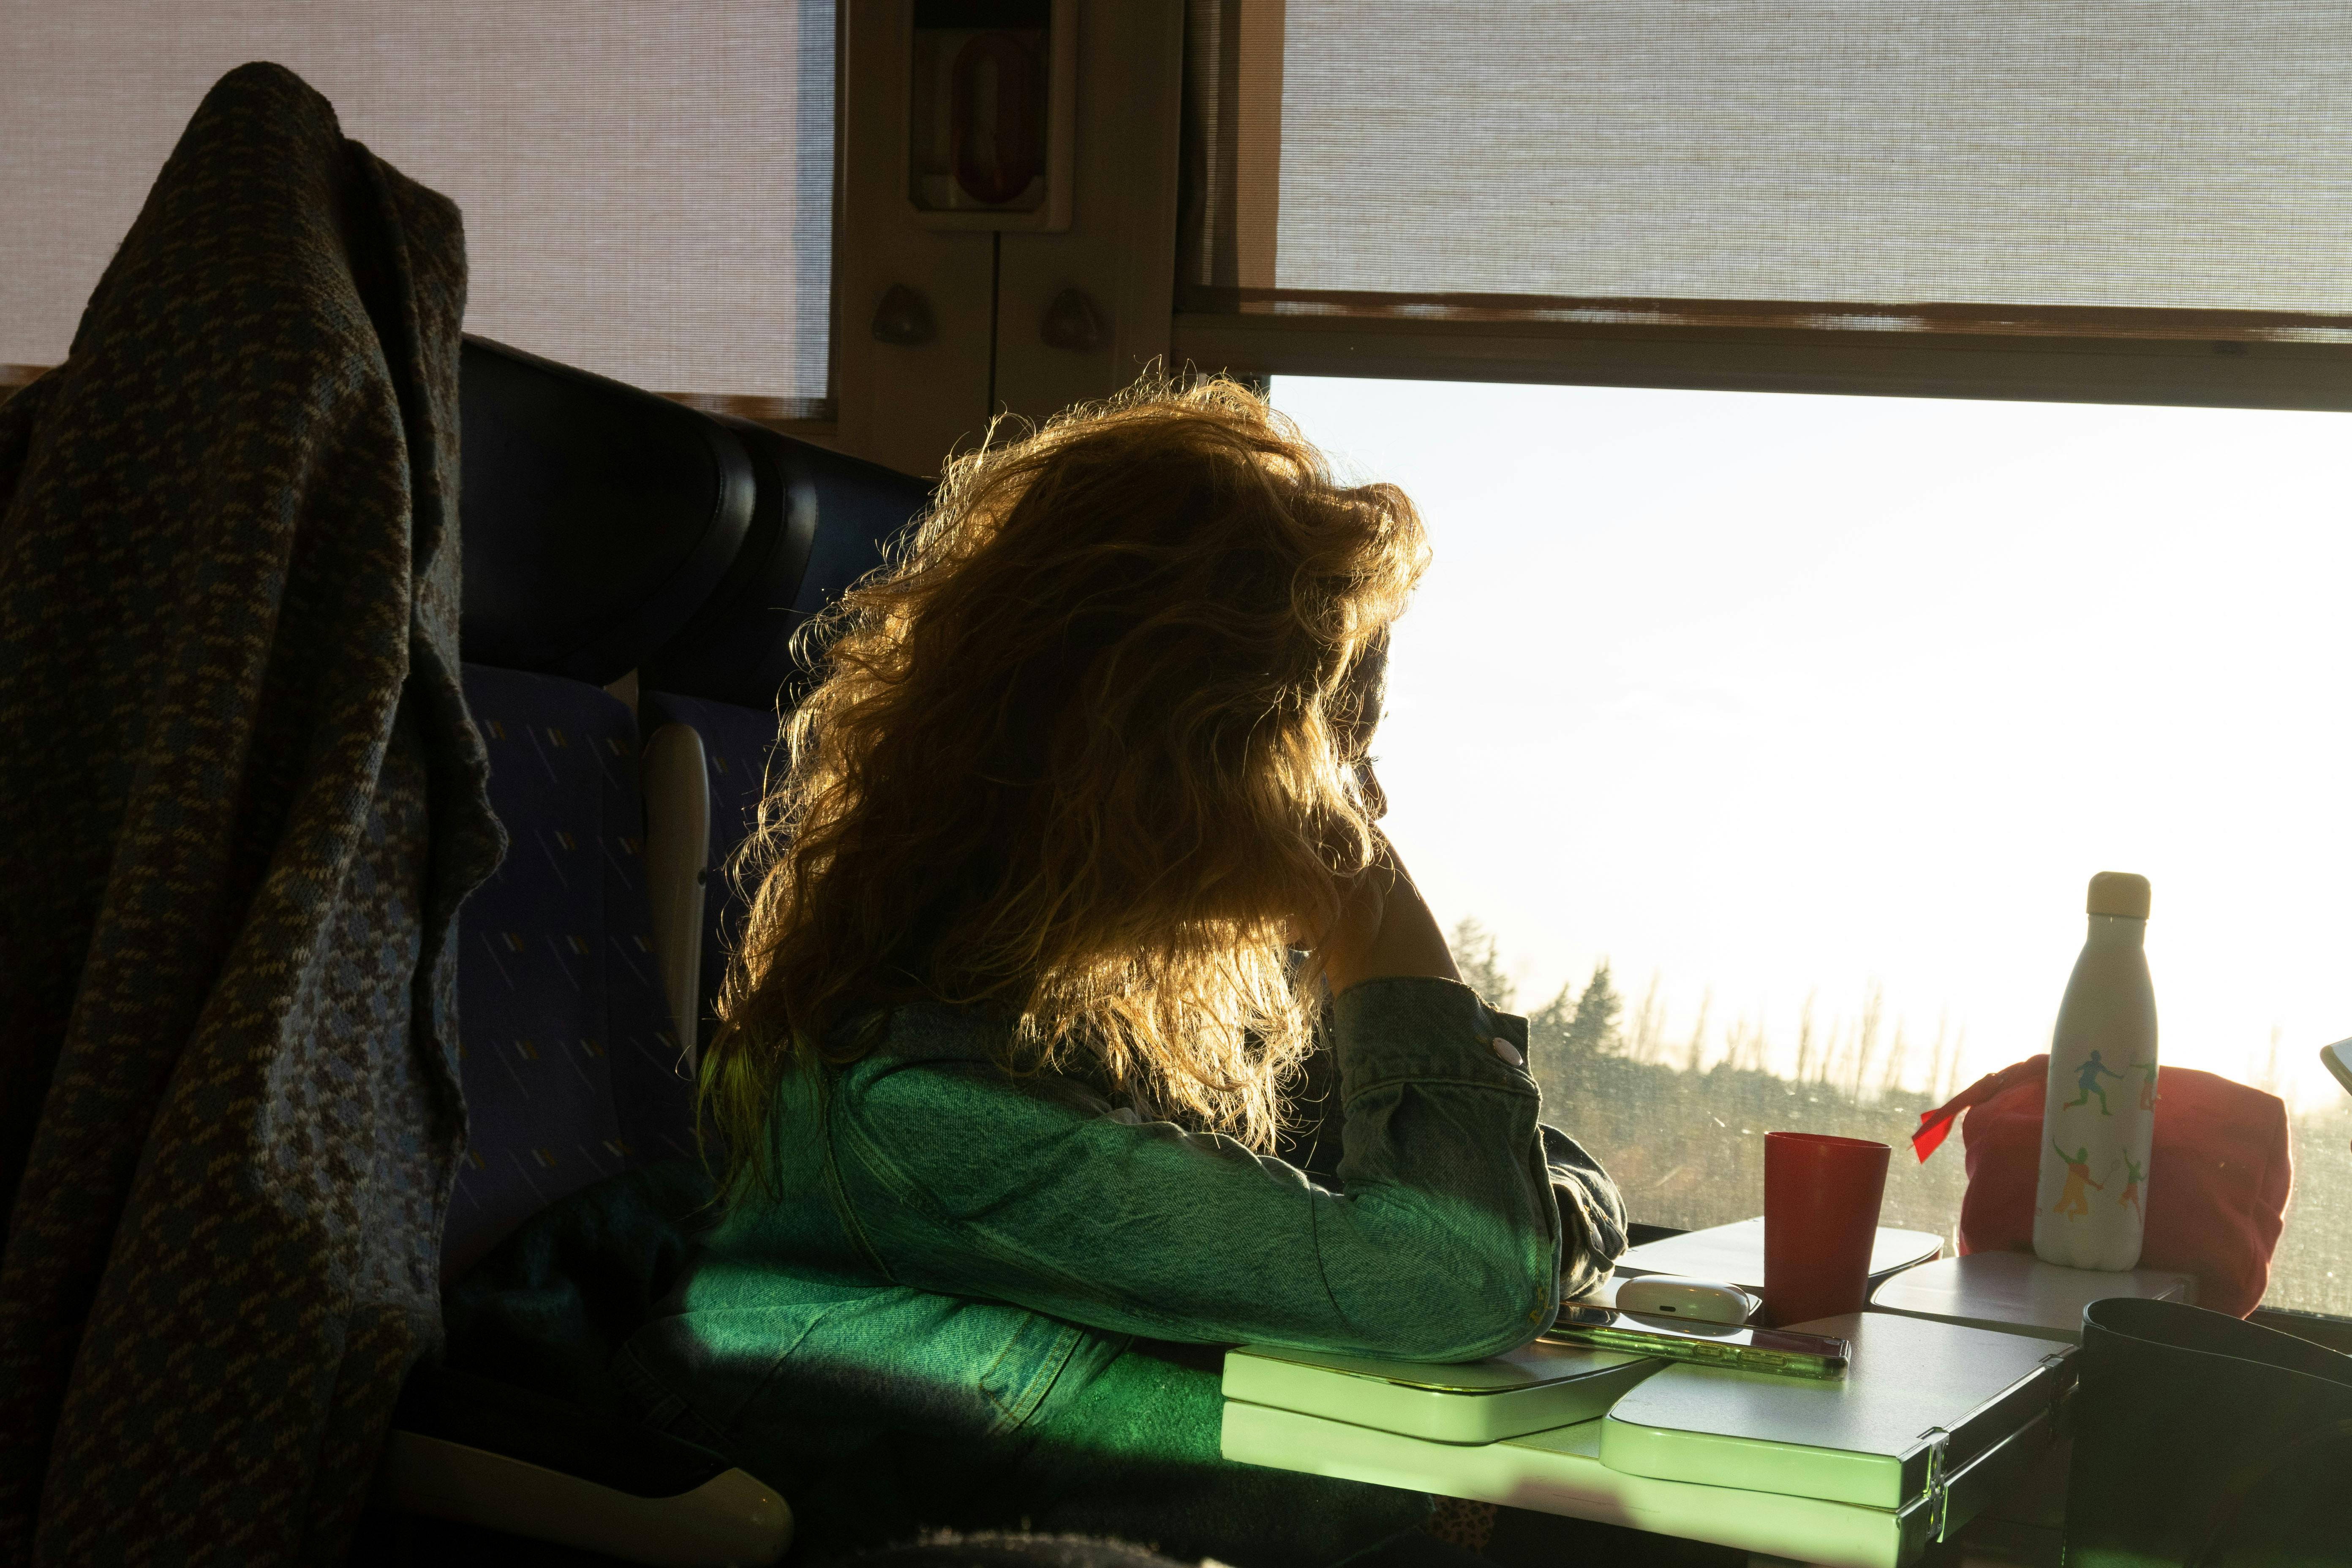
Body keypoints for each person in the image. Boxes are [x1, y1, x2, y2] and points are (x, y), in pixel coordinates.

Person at [611, 378, 1628, 1565]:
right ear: (1182, 759)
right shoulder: (923, 1106)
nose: (1369, 809)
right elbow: (1467, 1274)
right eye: (1337, 757)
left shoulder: (1099, 1015)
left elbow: (1536, 1194)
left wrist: (1521, 1229)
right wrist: (1371, 897)